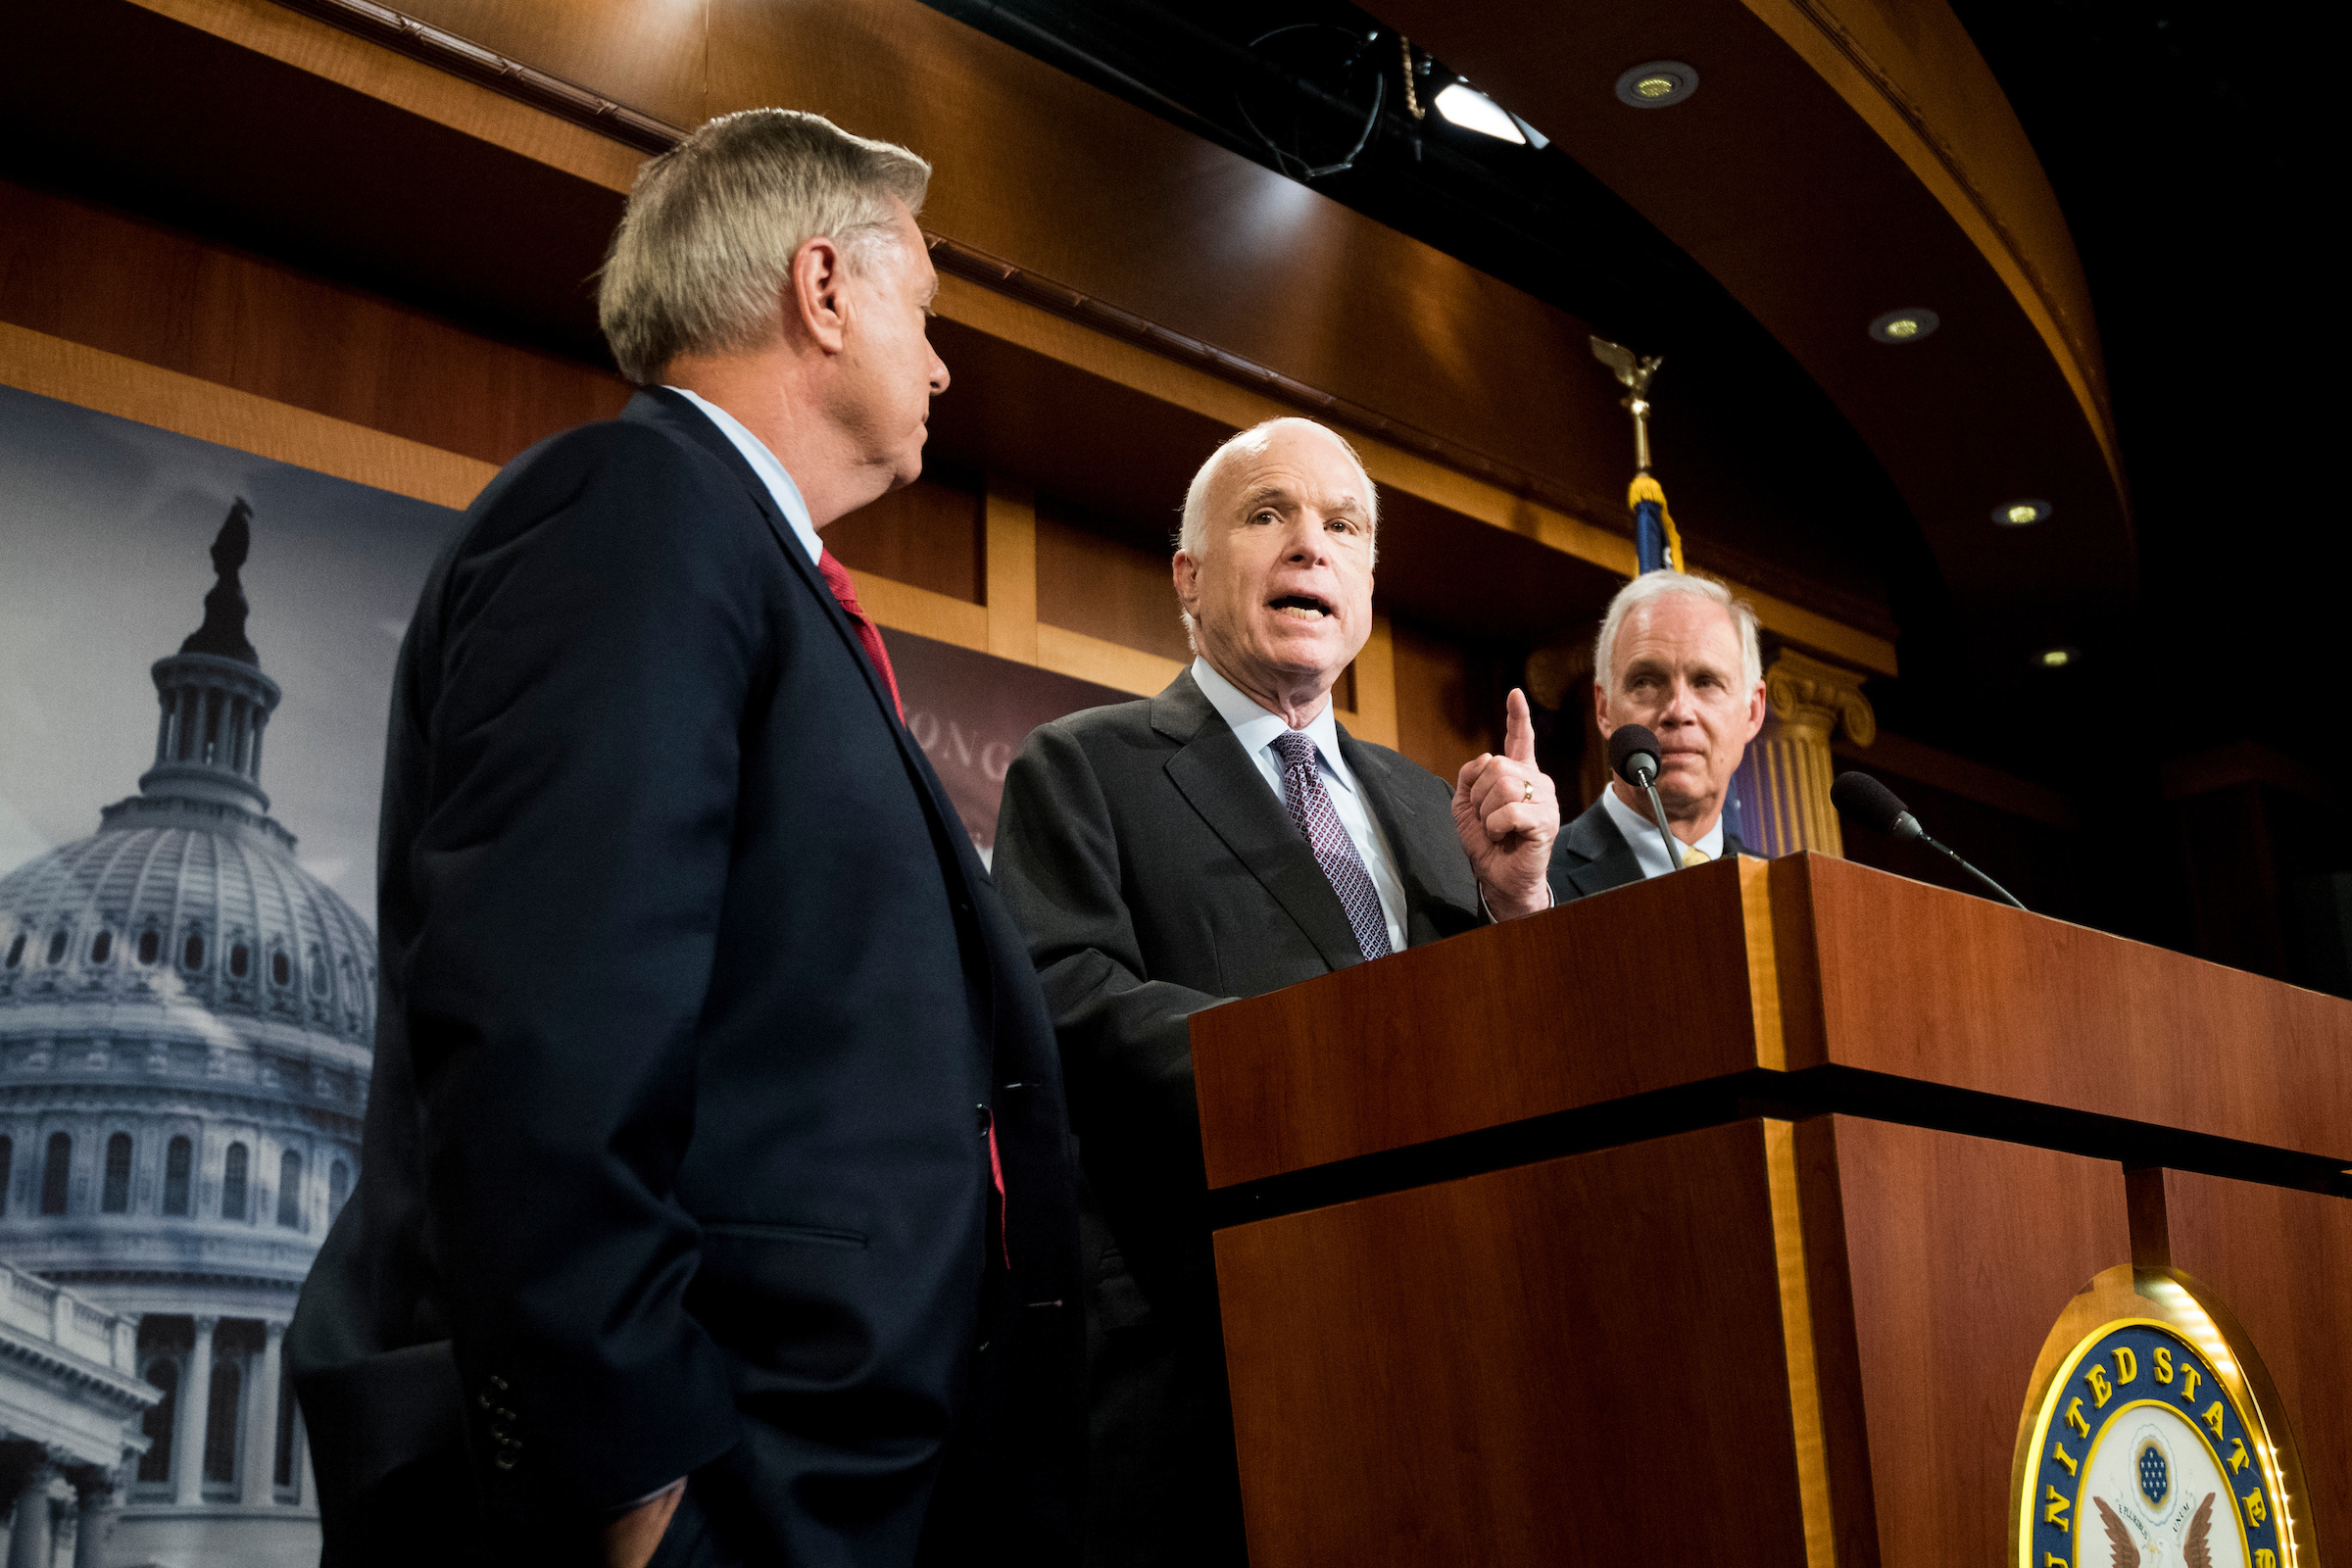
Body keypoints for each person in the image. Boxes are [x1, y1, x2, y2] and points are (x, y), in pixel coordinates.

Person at [287, 110, 1080, 1568]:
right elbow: (541, 1032)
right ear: (825, 288)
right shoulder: (634, 505)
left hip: (836, 1480)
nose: (945, 361)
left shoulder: (751, 561)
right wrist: (639, 1496)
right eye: (925, 307)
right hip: (711, 1497)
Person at [988, 416, 1560, 1565]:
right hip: (1207, 1361)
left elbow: (1508, 1057)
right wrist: (1331, 1061)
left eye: (1343, 527)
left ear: (1365, 585)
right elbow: (1064, 999)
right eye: (1268, 516)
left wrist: (1519, 907)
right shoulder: (1086, 765)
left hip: (1450, 1343)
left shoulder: (1439, 807)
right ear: (1189, 580)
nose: (1312, 547)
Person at [1549, 570, 1766, 900]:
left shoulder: (1783, 891)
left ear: (1752, 712)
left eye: (1706, 682)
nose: (1678, 711)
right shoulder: (1532, 888)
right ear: (1604, 709)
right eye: (1646, 682)